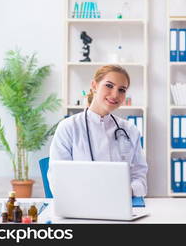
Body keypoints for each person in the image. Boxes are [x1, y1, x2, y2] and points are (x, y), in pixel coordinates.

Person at [49, 65, 147, 196]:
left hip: (120, 205)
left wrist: (130, 190)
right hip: (80, 206)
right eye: (109, 86)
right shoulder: (68, 127)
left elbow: (140, 177)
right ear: (94, 86)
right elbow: (58, 179)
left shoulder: (130, 130)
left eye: (122, 90)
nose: (115, 94)